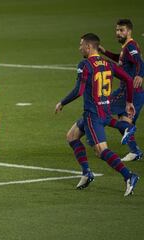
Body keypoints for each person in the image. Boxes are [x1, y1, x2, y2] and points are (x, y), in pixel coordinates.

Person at [55, 33, 139, 196]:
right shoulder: (108, 64)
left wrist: (62, 102)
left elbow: (79, 91)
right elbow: (129, 80)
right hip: (104, 108)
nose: (79, 48)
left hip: (92, 114)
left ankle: (129, 176)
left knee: (101, 151)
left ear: (88, 46)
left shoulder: (85, 65)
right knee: (72, 136)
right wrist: (129, 102)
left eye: (81, 45)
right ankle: (87, 173)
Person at [99, 19, 144, 161]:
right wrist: (105, 51)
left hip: (129, 92)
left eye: (121, 30)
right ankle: (135, 151)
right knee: (123, 121)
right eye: (117, 30)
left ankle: (90, 134)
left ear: (129, 31)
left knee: (102, 107)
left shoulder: (130, 46)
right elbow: (121, 59)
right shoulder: (127, 47)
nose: (118, 33)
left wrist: (140, 75)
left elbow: (140, 62)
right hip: (133, 92)